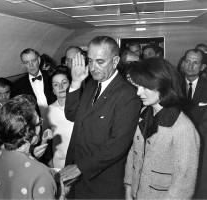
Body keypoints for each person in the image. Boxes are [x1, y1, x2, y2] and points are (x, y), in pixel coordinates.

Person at [59, 36, 141, 199]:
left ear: (115, 61)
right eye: (90, 61)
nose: (93, 67)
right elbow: (72, 114)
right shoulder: (91, 85)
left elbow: (117, 145)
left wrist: (79, 167)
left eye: (100, 61)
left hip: (102, 181)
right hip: (78, 178)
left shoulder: (128, 95)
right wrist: (75, 82)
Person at [125, 58, 200, 199]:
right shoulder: (143, 114)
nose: (138, 93)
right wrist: (129, 188)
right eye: (138, 86)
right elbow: (133, 156)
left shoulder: (183, 128)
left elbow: (183, 184)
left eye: (145, 87)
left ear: (163, 86)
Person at [0, 94, 66, 199]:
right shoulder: (41, 173)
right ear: (28, 134)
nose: (40, 124)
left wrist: (32, 156)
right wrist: (61, 195)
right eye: (39, 122)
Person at [180, 49, 207, 199]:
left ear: (202, 67)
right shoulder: (172, 85)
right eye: (187, 61)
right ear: (183, 63)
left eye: (195, 62)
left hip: (201, 141)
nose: (190, 66)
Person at [12, 48, 56, 119]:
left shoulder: (52, 76)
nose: (31, 65)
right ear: (23, 65)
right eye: (26, 62)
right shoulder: (17, 86)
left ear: (39, 60)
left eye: (33, 61)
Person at [45, 67, 74, 169]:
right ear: (53, 90)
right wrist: (50, 164)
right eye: (56, 85)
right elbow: (45, 141)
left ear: (70, 84)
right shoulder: (49, 111)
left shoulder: (82, 107)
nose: (61, 87)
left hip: (81, 161)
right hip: (60, 163)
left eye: (64, 82)